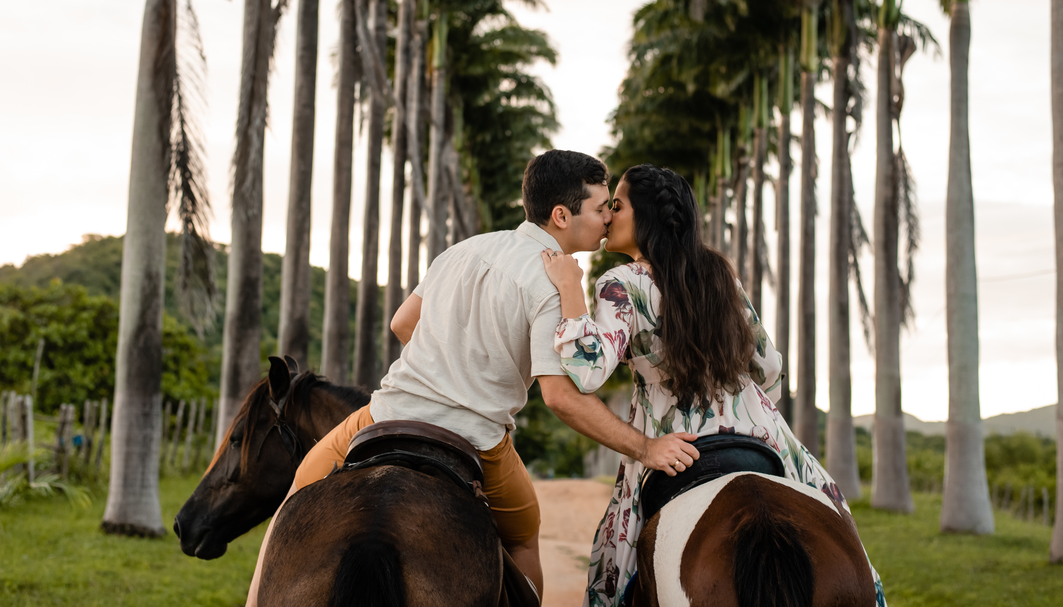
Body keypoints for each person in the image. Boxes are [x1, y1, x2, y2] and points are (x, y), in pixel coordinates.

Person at [244, 150, 700, 606]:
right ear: (561, 215)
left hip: (385, 414)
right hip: (479, 439)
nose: (607, 219)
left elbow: (402, 324)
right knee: (523, 536)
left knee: (298, 497)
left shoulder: (463, 249)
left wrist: (449, 361)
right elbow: (560, 398)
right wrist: (645, 448)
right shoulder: (553, 284)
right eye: (600, 208)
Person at [540, 163, 885, 607]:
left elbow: (587, 369)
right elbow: (769, 367)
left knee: (610, 575)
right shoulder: (721, 273)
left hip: (676, 445)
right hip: (761, 433)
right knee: (852, 547)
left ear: (644, 218)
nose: (608, 215)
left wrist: (571, 289)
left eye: (617, 206)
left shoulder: (620, 283)